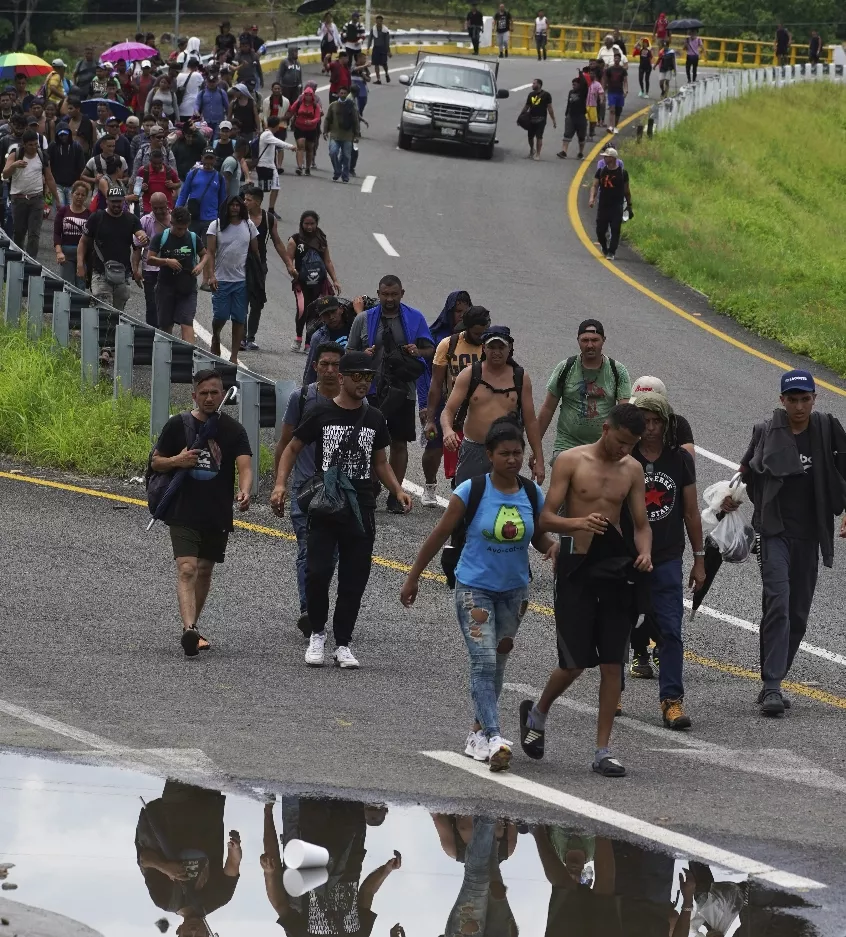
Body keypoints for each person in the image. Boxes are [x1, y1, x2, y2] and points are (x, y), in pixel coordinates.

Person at [402, 417, 557, 770]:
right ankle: (493, 735)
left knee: (497, 663)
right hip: (474, 588)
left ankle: (476, 733)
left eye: (518, 453)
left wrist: (552, 548)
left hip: (514, 593)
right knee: (483, 661)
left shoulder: (531, 493)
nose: (513, 460)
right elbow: (440, 534)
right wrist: (413, 578)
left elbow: (535, 536)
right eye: (505, 453)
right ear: (489, 454)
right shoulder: (471, 491)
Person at [519, 404, 652, 778]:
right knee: (574, 662)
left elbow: (642, 524)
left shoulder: (633, 470)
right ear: (606, 428)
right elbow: (544, 518)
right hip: (576, 566)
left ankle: (602, 750)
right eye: (621, 442)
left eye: (632, 445)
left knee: (613, 663)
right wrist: (579, 521)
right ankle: (538, 711)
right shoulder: (571, 460)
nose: (624, 450)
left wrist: (644, 552)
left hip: (615, 569)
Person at [271, 350, 413, 669]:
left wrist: (398, 489)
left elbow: (380, 462)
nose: (364, 382)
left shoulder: (375, 418)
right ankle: (318, 634)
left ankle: (343, 643)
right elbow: (292, 447)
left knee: (354, 578)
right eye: (358, 376)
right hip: (326, 504)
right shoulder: (320, 412)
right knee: (318, 572)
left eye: (369, 377)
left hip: (361, 507)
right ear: (343, 377)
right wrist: (280, 484)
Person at [723, 370, 846, 716]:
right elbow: (745, 470)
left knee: (798, 613)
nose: (799, 406)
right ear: (782, 400)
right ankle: (772, 685)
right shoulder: (766, 431)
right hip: (773, 531)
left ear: (814, 399)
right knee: (778, 601)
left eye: (805, 399)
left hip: (810, 534)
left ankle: (773, 677)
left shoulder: (824, 429)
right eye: (792, 399)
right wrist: (730, 497)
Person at [150, 369, 252, 656]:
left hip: (216, 512)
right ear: (194, 395)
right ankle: (189, 630)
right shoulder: (177, 425)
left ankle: (194, 625)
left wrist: (245, 490)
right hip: (183, 510)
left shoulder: (233, 430)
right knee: (187, 568)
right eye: (203, 393)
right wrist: (177, 460)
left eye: (215, 392)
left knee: (205, 570)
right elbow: (156, 463)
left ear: (223, 395)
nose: (209, 398)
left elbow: (245, 465)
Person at [628, 390, 705, 729]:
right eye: (643, 421)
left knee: (671, 630)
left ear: (666, 423)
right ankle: (611, 692)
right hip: (626, 556)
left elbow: (690, 511)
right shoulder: (623, 455)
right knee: (620, 626)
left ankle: (671, 701)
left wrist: (699, 558)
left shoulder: (680, 460)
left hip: (668, 556)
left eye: (656, 420)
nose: (650, 427)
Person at [347, 275, 435, 512]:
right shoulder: (364, 319)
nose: (389, 299)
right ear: (378, 293)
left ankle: (396, 495)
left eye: (394, 294)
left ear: (402, 293)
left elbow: (431, 351)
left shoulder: (415, 318)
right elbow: (348, 352)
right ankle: (369, 489)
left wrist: (418, 350)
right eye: (385, 294)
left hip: (402, 390)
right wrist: (362, 355)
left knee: (399, 442)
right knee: (366, 441)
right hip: (369, 389)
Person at [274, 341, 343, 637]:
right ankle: (309, 611)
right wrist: (280, 484)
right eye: (324, 364)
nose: (329, 370)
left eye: (335, 365)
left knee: (331, 556)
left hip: (342, 493)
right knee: (307, 550)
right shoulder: (300, 398)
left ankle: (316, 605)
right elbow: (286, 444)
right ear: (314, 366)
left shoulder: (356, 402)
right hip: (305, 490)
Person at [261, 796, 401, 934]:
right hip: (351, 848)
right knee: (351, 794)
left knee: (312, 795)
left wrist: (269, 873)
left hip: (314, 854)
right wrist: (386, 870)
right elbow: (367, 892)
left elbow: (280, 905)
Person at [442, 326, 544, 487]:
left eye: (501, 347)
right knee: (467, 502)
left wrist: (539, 459)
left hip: (506, 453)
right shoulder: (470, 374)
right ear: (484, 348)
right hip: (473, 450)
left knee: (501, 503)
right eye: (491, 347)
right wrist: (448, 431)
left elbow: (530, 421)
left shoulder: (520, 377)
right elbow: (448, 410)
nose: (496, 352)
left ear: (509, 348)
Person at [136, 781, 242, 932]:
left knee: (183, 759)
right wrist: (235, 848)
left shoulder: (164, 900)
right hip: (208, 805)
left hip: (174, 806)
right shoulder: (220, 898)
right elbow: (233, 865)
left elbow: (144, 859)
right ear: (207, 934)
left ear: (179, 932)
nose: (193, 932)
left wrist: (165, 868)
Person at [537, 320, 632, 462]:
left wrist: (624, 450)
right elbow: (548, 408)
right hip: (567, 445)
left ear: (603, 340)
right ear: (578, 341)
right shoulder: (565, 368)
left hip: (604, 447)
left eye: (595, 340)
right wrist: (535, 447)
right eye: (585, 340)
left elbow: (624, 414)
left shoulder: (617, 371)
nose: (589, 345)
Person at [420, 294, 479, 503]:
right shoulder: (442, 340)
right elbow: (428, 377)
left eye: (465, 311)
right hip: (445, 402)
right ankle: (429, 485)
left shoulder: (485, 341)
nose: (461, 316)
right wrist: (426, 408)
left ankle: (463, 490)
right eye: (457, 311)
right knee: (434, 446)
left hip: (475, 407)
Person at [206, 195, 259, 364]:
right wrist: (211, 275)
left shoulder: (248, 225)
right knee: (220, 316)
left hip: (242, 282)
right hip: (221, 279)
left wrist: (257, 276)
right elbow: (210, 253)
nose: (235, 208)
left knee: (239, 318)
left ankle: (234, 356)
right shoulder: (216, 225)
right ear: (226, 207)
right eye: (232, 205)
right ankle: (216, 337)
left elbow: (255, 252)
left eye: (238, 205)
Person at [78, 186, 147, 310]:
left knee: (117, 316)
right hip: (100, 274)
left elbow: (139, 238)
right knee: (101, 314)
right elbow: (83, 242)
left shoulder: (131, 219)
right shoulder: (97, 217)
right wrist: (80, 265)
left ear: (124, 201)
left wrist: (142, 237)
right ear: (107, 200)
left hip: (122, 276)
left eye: (119, 201)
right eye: (113, 201)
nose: (116, 204)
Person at [146, 205, 206, 344]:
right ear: (171, 223)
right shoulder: (161, 237)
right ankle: (165, 358)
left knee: (187, 322)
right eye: (179, 228)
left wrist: (200, 265)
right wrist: (167, 261)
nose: (182, 232)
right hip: (165, 287)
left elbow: (205, 255)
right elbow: (150, 258)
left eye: (185, 228)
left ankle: (188, 359)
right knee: (166, 325)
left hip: (187, 288)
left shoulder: (192, 238)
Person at [242, 185, 291, 350]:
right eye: (245, 199)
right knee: (242, 299)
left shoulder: (269, 219)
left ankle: (251, 337)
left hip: (259, 265)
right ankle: (240, 336)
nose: (244, 202)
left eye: (248, 200)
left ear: (257, 202)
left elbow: (277, 242)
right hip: (240, 263)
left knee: (257, 301)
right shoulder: (240, 217)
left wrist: (289, 264)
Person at [286, 209, 340, 352]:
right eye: (306, 224)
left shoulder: (322, 239)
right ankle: (298, 338)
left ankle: (309, 343)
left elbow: (327, 261)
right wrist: (291, 269)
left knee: (316, 312)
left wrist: (335, 280)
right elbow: (288, 259)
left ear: (316, 223)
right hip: (302, 283)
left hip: (319, 284)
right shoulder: (295, 240)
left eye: (312, 224)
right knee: (303, 309)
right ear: (301, 224)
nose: (309, 227)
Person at [3, 128, 59, 257]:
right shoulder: (15, 154)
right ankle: (17, 260)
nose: (33, 147)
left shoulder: (42, 155)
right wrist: (14, 165)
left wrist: (57, 199)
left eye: (36, 144)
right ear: (24, 144)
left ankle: (31, 262)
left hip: (36, 198)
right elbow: (5, 174)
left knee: (34, 234)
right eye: (30, 145)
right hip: (18, 198)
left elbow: (49, 178)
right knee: (19, 232)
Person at [133, 191, 170, 328]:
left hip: (169, 268)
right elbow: (136, 248)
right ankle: (152, 333)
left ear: (167, 204)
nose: (159, 211)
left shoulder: (174, 220)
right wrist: (135, 270)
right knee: (151, 303)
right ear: (151, 206)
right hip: (150, 269)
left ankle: (166, 332)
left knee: (167, 303)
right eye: (156, 208)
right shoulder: (145, 221)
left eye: (162, 207)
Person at [589, 147, 632, 260]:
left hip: (616, 205)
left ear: (612, 158)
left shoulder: (623, 173)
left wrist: (629, 205)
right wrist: (592, 198)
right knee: (600, 230)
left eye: (606, 156)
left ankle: (611, 252)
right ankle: (604, 246)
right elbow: (594, 185)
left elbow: (627, 191)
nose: (604, 158)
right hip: (603, 204)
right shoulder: (601, 171)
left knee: (615, 229)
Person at [255, 116, 296, 215]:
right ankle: (255, 208)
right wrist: (291, 146)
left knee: (275, 187)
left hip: (271, 166)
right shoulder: (267, 135)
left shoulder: (268, 134)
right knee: (261, 190)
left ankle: (271, 209)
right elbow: (279, 143)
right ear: (276, 126)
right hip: (264, 166)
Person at [53, 180, 90, 287]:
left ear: (86, 197)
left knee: (81, 286)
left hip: (83, 255)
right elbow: (56, 234)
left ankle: (79, 304)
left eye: (83, 195)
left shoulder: (89, 215)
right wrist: (59, 251)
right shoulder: (63, 211)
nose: (79, 197)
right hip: (66, 254)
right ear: (72, 194)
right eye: (77, 194)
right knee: (67, 286)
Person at [323, 85, 360, 183]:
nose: (342, 95)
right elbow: (327, 119)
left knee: (347, 156)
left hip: (348, 136)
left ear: (347, 94)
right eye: (341, 93)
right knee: (333, 152)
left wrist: (356, 135)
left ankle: (345, 176)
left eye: (344, 93)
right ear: (338, 94)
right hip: (335, 135)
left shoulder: (351, 106)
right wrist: (325, 131)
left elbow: (356, 121)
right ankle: (337, 171)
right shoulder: (333, 105)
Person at [134, 148, 181, 213]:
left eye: (159, 163)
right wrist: (141, 188)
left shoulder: (169, 171)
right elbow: (136, 189)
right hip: (148, 208)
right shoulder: (143, 170)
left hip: (166, 207)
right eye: (154, 163)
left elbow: (178, 184)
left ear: (163, 160)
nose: (157, 166)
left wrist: (173, 185)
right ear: (150, 161)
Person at [47, 125, 85, 207]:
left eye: (65, 134)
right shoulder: (52, 146)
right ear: (57, 135)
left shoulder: (77, 147)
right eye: (61, 135)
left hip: (72, 185)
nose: (63, 137)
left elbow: (81, 167)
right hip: (57, 185)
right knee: (60, 209)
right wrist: (49, 186)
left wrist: (78, 183)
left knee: (72, 211)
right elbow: (48, 166)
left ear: (69, 134)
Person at [520, 78, 555, 160]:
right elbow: (527, 106)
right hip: (531, 118)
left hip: (541, 119)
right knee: (530, 137)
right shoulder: (531, 94)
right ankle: (532, 150)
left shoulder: (546, 95)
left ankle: (538, 154)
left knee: (539, 137)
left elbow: (550, 108)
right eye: (533, 83)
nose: (532, 85)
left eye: (534, 83)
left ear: (539, 85)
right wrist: (521, 116)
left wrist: (553, 119)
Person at [557, 76, 588, 159]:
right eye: (572, 85)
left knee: (581, 136)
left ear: (579, 85)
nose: (573, 86)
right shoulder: (571, 92)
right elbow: (569, 103)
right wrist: (567, 114)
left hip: (581, 117)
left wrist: (581, 75)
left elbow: (585, 84)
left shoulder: (583, 93)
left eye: (575, 85)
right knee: (567, 134)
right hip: (570, 116)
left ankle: (580, 153)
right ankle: (564, 152)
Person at [195, 71, 229, 137]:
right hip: (206, 122)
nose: (211, 84)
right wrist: (196, 111)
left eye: (213, 82)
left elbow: (227, 106)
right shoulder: (202, 93)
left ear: (217, 82)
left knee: (216, 140)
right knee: (207, 140)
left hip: (219, 122)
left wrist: (228, 119)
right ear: (206, 82)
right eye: (210, 82)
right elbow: (197, 104)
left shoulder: (221, 93)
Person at [603, 50, 627, 133]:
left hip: (620, 92)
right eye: (615, 58)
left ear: (620, 60)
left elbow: (625, 81)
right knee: (612, 109)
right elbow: (605, 80)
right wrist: (603, 90)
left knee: (618, 111)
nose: (616, 59)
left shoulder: (623, 70)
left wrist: (626, 90)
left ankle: (615, 126)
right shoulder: (609, 70)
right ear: (613, 59)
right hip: (611, 92)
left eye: (618, 58)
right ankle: (610, 126)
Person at [221, 137, 250, 201]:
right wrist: (227, 200)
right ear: (245, 148)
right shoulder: (231, 161)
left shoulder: (237, 161)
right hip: (229, 201)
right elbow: (226, 181)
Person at [177, 57, 204, 122]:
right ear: (196, 67)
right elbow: (203, 85)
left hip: (181, 108)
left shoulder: (179, 75)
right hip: (192, 108)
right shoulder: (197, 75)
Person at [368, 16, 392, 82]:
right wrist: (368, 47)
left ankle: (386, 73)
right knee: (376, 64)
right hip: (376, 48)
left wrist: (388, 51)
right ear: (376, 21)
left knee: (384, 63)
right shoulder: (373, 29)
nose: (379, 22)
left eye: (380, 21)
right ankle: (378, 79)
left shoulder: (385, 30)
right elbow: (370, 39)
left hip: (383, 48)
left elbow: (387, 42)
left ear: (382, 21)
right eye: (377, 21)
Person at [585, 67, 604, 138]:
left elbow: (601, 93)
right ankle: (584, 134)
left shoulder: (597, 84)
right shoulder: (585, 83)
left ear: (595, 75)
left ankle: (591, 132)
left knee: (593, 121)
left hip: (593, 105)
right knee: (584, 120)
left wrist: (601, 100)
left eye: (593, 74)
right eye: (590, 73)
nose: (591, 75)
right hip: (585, 105)